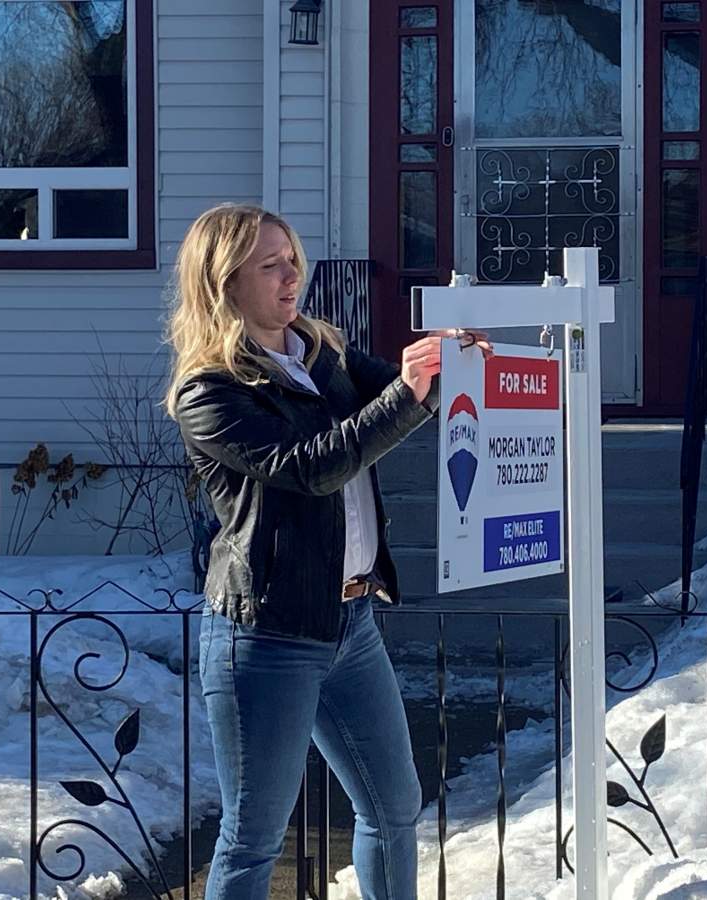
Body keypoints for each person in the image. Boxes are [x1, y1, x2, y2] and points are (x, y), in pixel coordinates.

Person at [164, 203, 486, 899]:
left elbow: (398, 394)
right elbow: (312, 465)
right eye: (269, 265)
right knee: (254, 840)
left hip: (352, 624)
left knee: (394, 807)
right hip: (267, 634)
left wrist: (444, 361)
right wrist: (406, 393)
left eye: (294, 260)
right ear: (224, 283)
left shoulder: (322, 354)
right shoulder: (208, 391)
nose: (291, 278)